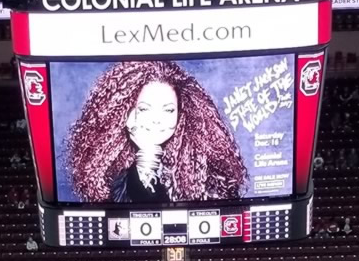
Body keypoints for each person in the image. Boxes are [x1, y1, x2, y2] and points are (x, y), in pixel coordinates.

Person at [63, 59, 246, 204]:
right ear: (123, 114)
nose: (157, 119)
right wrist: (146, 159)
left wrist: (148, 156)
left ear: (182, 115)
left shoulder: (210, 172)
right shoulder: (105, 174)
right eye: (144, 109)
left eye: (168, 110)